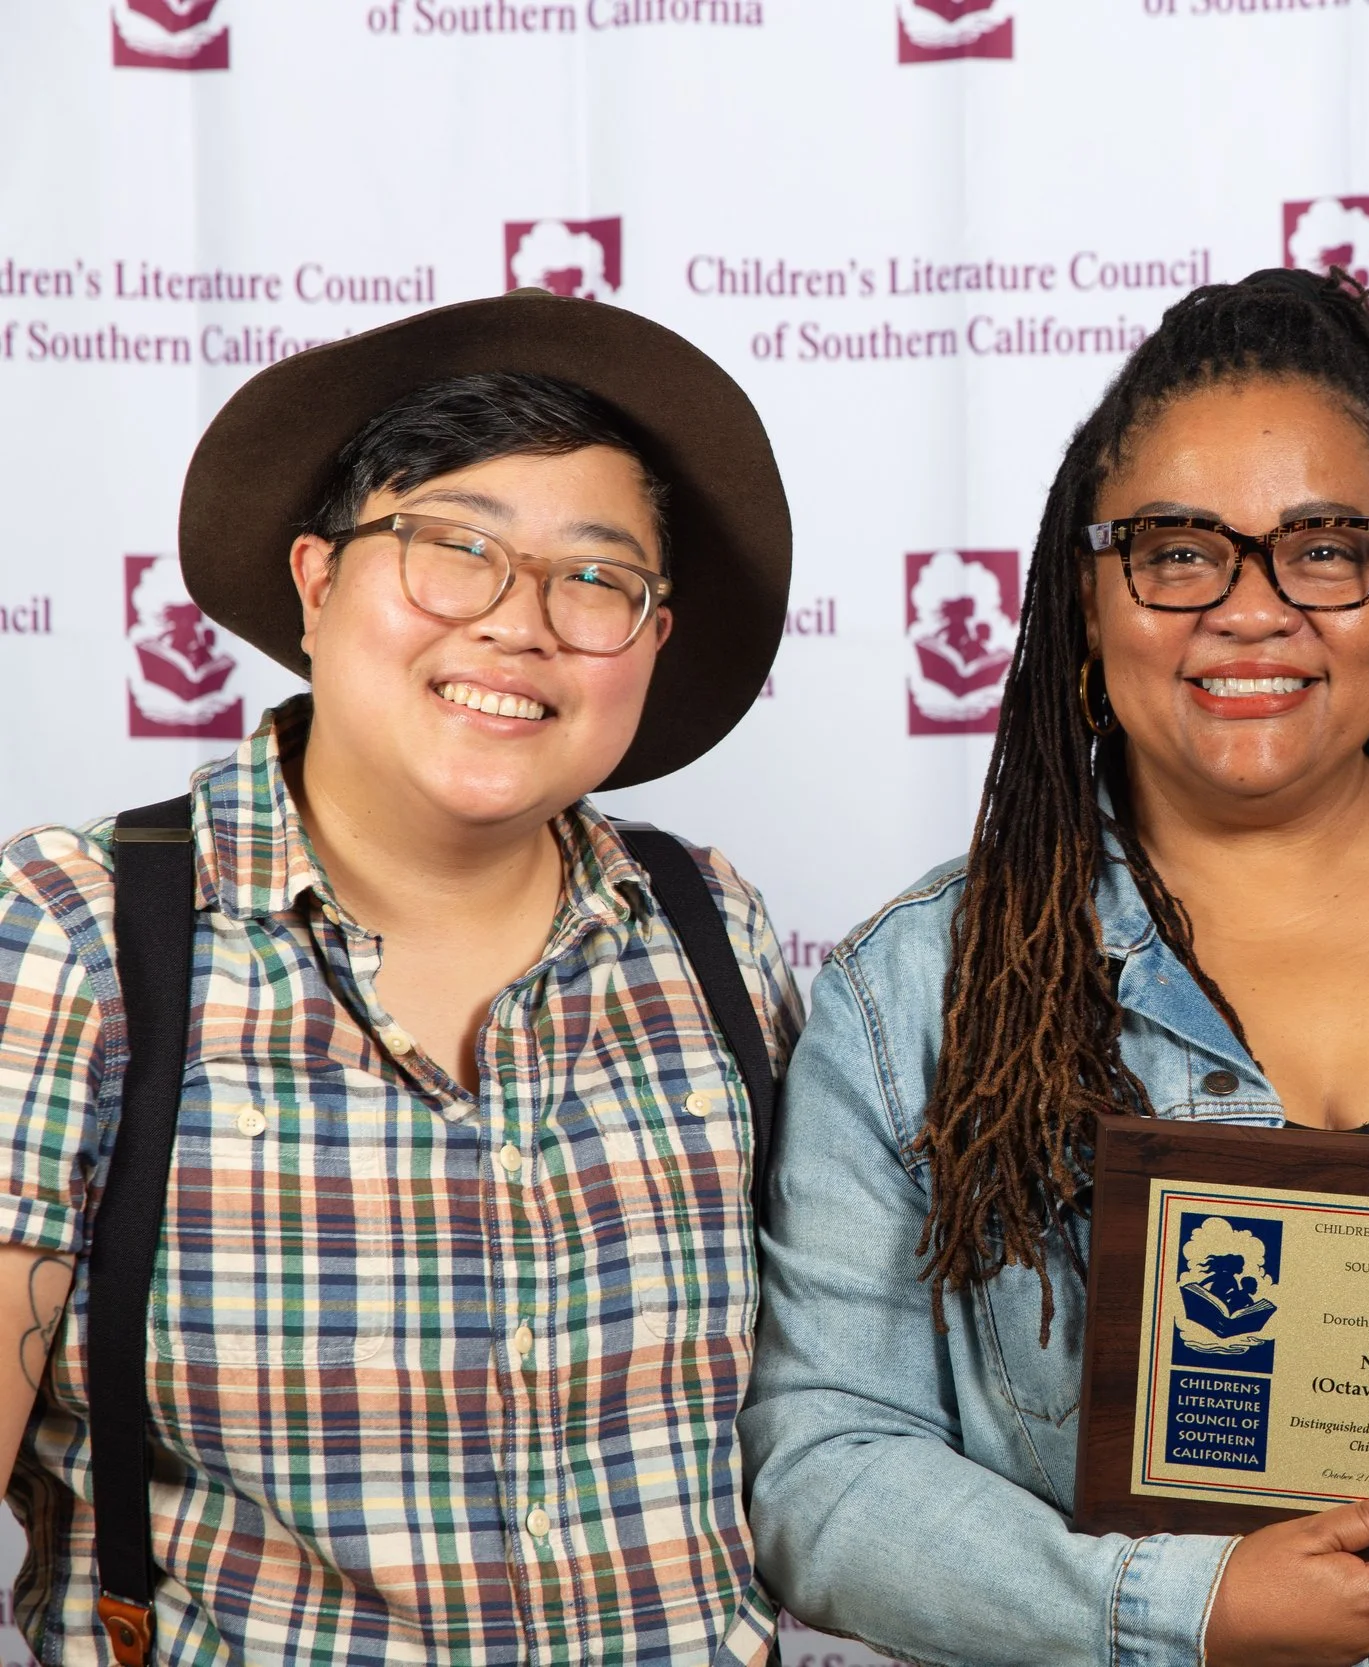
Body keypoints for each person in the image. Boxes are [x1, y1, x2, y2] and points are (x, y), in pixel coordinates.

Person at [746, 268, 1369, 1667]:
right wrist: (1184, 1607)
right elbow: (827, 1467)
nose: (1252, 607)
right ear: (1087, 598)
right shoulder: (914, 995)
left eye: (1324, 546)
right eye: (1177, 550)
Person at [0, 291, 800, 1663]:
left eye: (595, 579)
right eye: (453, 549)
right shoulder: (79, 937)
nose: (517, 623)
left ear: (652, 643)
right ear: (315, 580)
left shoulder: (708, 929)